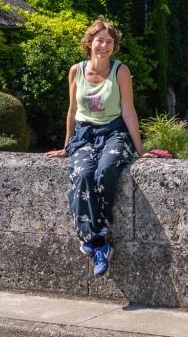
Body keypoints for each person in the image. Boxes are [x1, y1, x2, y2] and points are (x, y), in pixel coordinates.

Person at [46, 18, 158, 276]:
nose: (104, 45)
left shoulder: (121, 71)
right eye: (100, 40)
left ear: (114, 47)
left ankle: (91, 236)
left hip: (114, 132)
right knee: (83, 174)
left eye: (109, 41)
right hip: (84, 135)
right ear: (90, 43)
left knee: (106, 169)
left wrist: (140, 150)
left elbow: (129, 112)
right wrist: (67, 145)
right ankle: (99, 244)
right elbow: (72, 111)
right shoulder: (76, 71)